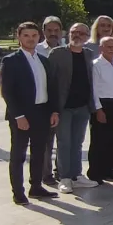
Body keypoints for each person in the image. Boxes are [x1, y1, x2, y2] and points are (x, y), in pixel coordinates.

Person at [0, 21, 60, 205]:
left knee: (39, 153)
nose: (30, 39)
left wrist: (54, 110)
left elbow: (52, 87)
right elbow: (7, 91)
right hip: (22, 116)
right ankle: (18, 192)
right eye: (26, 35)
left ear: (39, 37)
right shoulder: (11, 61)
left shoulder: (43, 60)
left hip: (42, 113)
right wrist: (18, 116)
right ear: (19, 37)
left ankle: (36, 186)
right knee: (18, 155)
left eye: (34, 35)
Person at [47, 24, 99, 193]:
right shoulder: (58, 54)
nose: (77, 36)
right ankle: (65, 178)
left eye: (81, 33)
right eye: (74, 33)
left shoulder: (88, 54)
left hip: (82, 107)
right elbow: (51, 81)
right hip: (63, 107)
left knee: (77, 143)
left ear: (87, 37)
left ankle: (77, 176)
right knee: (64, 142)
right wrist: (53, 108)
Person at [88, 37, 113, 183]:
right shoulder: (96, 65)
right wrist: (98, 109)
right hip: (103, 105)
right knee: (99, 141)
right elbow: (94, 89)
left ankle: (110, 169)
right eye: (108, 47)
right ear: (101, 48)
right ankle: (96, 172)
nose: (111, 49)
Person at [37, 15, 63, 185]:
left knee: (64, 139)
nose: (53, 33)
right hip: (45, 102)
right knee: (46, 141)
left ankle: (62, 171)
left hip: (65, 100)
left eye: (56, 30)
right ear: (43, 31)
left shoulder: (68, 48)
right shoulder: (37, 50)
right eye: (49, 30)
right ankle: (45, 175)